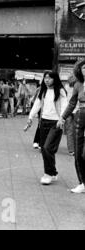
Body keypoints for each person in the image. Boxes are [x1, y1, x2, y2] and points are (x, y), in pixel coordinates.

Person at [26, 71, 67, 186]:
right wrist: (30, 117)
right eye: (45, 78)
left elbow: (64, 105)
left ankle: (47, 174)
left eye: (49, 78)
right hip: (44, 121)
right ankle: (53, 172)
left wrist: (62, 119)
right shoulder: (43, 90)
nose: (47, 80)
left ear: (55, 79)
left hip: (56, 123)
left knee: (47, 147)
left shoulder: (60, 91)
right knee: (44, 149)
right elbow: (37, 104)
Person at [58, 61, 85, 193]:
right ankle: (82, 182)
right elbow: (72, 103)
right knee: (78, 151)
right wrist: (62, 117)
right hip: (80, 116)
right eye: (83, 68)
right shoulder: (78, 84)